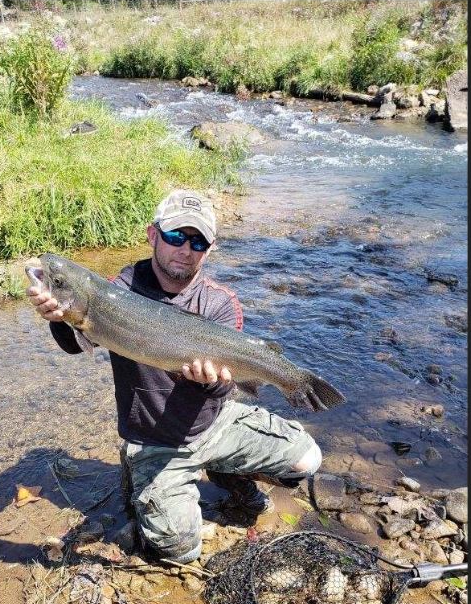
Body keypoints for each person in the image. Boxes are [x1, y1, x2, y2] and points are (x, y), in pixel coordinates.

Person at [27, 189, 322, 564]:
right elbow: (77, 341)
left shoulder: (219, 302)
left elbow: (226, 388)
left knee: (306, 459)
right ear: (153, 235)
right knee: (180, 551)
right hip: (155, 439)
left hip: (213, 423)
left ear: (209, 249)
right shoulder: (118, 290)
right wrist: (58, 318)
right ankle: (140, 468)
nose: (185, 248)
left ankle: (223, 468)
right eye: (175, 236)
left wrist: (211, 381)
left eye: (197, 241)